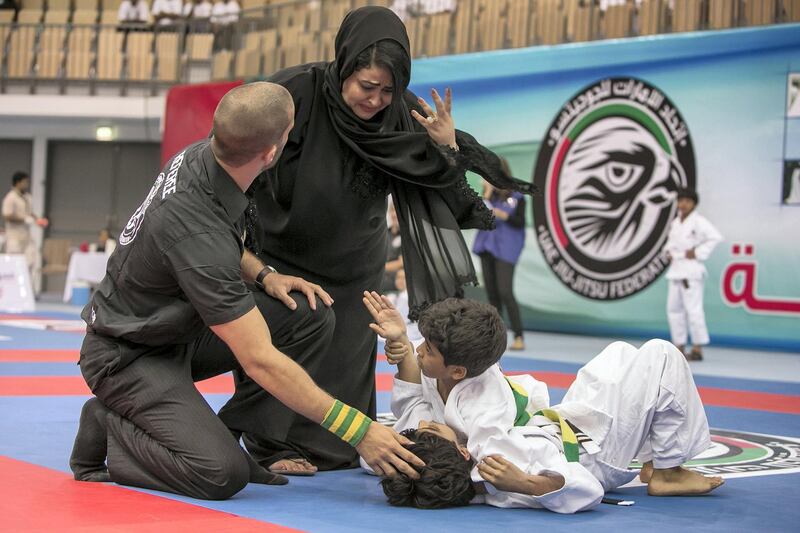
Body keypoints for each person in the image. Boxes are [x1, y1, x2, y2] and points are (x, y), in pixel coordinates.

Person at [68, 82, 423, 500]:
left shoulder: (201, 156)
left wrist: (264, 275)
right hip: (127, 356)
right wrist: (360, 430)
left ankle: (236, 432)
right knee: (219, 474)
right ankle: (109, 426)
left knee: (305, 313)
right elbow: (259, 360)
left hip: (174, 328)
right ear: (272, 153)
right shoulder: (195, 228)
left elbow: (222, 240)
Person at [223, 6, 534, 475]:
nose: (375, 100)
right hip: (279, 254)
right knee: (278, 349)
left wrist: (446, 147)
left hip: (353, 266)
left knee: (345, 357)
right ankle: (271, 446)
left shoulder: (402, 115)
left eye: (387, 90)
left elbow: (450, 194)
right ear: (345, 65)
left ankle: (335, 446)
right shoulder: (295, 93)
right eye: (366, 87)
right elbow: (240, 152)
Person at [363, 293, 723, 512]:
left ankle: (652, 458)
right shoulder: (492, 449)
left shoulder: (464, 431)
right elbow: (585, 489)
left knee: (620, 354)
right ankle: (667, 471)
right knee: (660, 355)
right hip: (592, 451)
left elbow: (413, 410)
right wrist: (524, 483)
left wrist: (401, 351)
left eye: (427, 346)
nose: (419, 349)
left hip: (558, 425)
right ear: (461, 449)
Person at [472, 158, 527, 350]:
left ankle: (519, 335)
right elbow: (480, 216)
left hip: (506, 249)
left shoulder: (517, 195)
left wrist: (506, 216)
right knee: (492, 294)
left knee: (505, 291)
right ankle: (495, 340)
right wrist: (486, 193)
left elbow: (520, 222)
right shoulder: (490, 196)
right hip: (487, 247)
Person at [663, 188, 722, 361]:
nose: (683, 204)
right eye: (680, 200)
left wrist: (697, 252)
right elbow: (670, 244)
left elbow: (715, 238)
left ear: (693, 203)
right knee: (673, 310)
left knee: (693, 310)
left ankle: (697, 348)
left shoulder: (699, 222)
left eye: (687, 201)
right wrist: (668, 252)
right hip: (675, 271)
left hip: (691, 272)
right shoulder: (676, 223)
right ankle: (679, 346)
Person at [2, 171, 49, 276]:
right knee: (14, 262)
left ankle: (27, 289)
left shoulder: (28, 197)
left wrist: (38, 220)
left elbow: (29, 213)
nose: (27, 184)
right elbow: (7, 216)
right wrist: (23, 219)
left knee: (30, 261)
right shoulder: (10, 198)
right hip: (14, 236)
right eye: (25, 182)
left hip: (26, 236)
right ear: (18, 183)